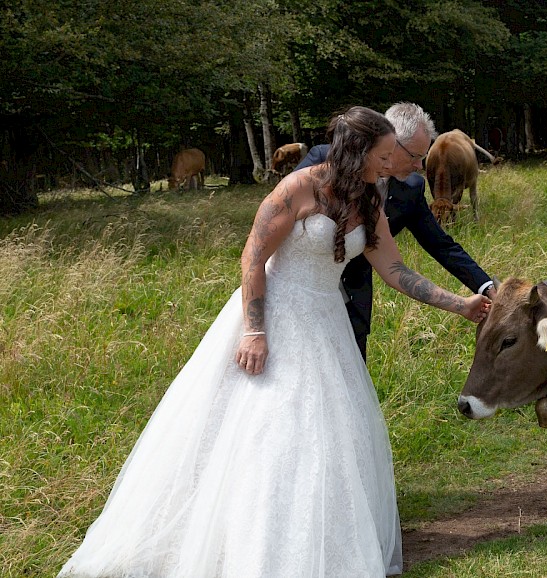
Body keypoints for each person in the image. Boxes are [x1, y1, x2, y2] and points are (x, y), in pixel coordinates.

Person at [58, 106, 490, 577]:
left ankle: (321, 547)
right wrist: (255, 330)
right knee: (268, 429)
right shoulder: (298, 187)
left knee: (327, 436)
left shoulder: (370, 199)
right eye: (386, 155)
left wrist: (460, 304)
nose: (391, 165)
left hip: (327, 325)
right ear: (360, 150)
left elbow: (395, 270)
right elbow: (253, 254)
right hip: (275, 315)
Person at [295, 102, 495, 359]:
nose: (420, 166)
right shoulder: (321, 163)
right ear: (389, 143)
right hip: (300, 298)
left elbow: (440, 246)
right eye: (414, 156)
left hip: (355, 301)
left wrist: (485, 286)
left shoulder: (410, 188)